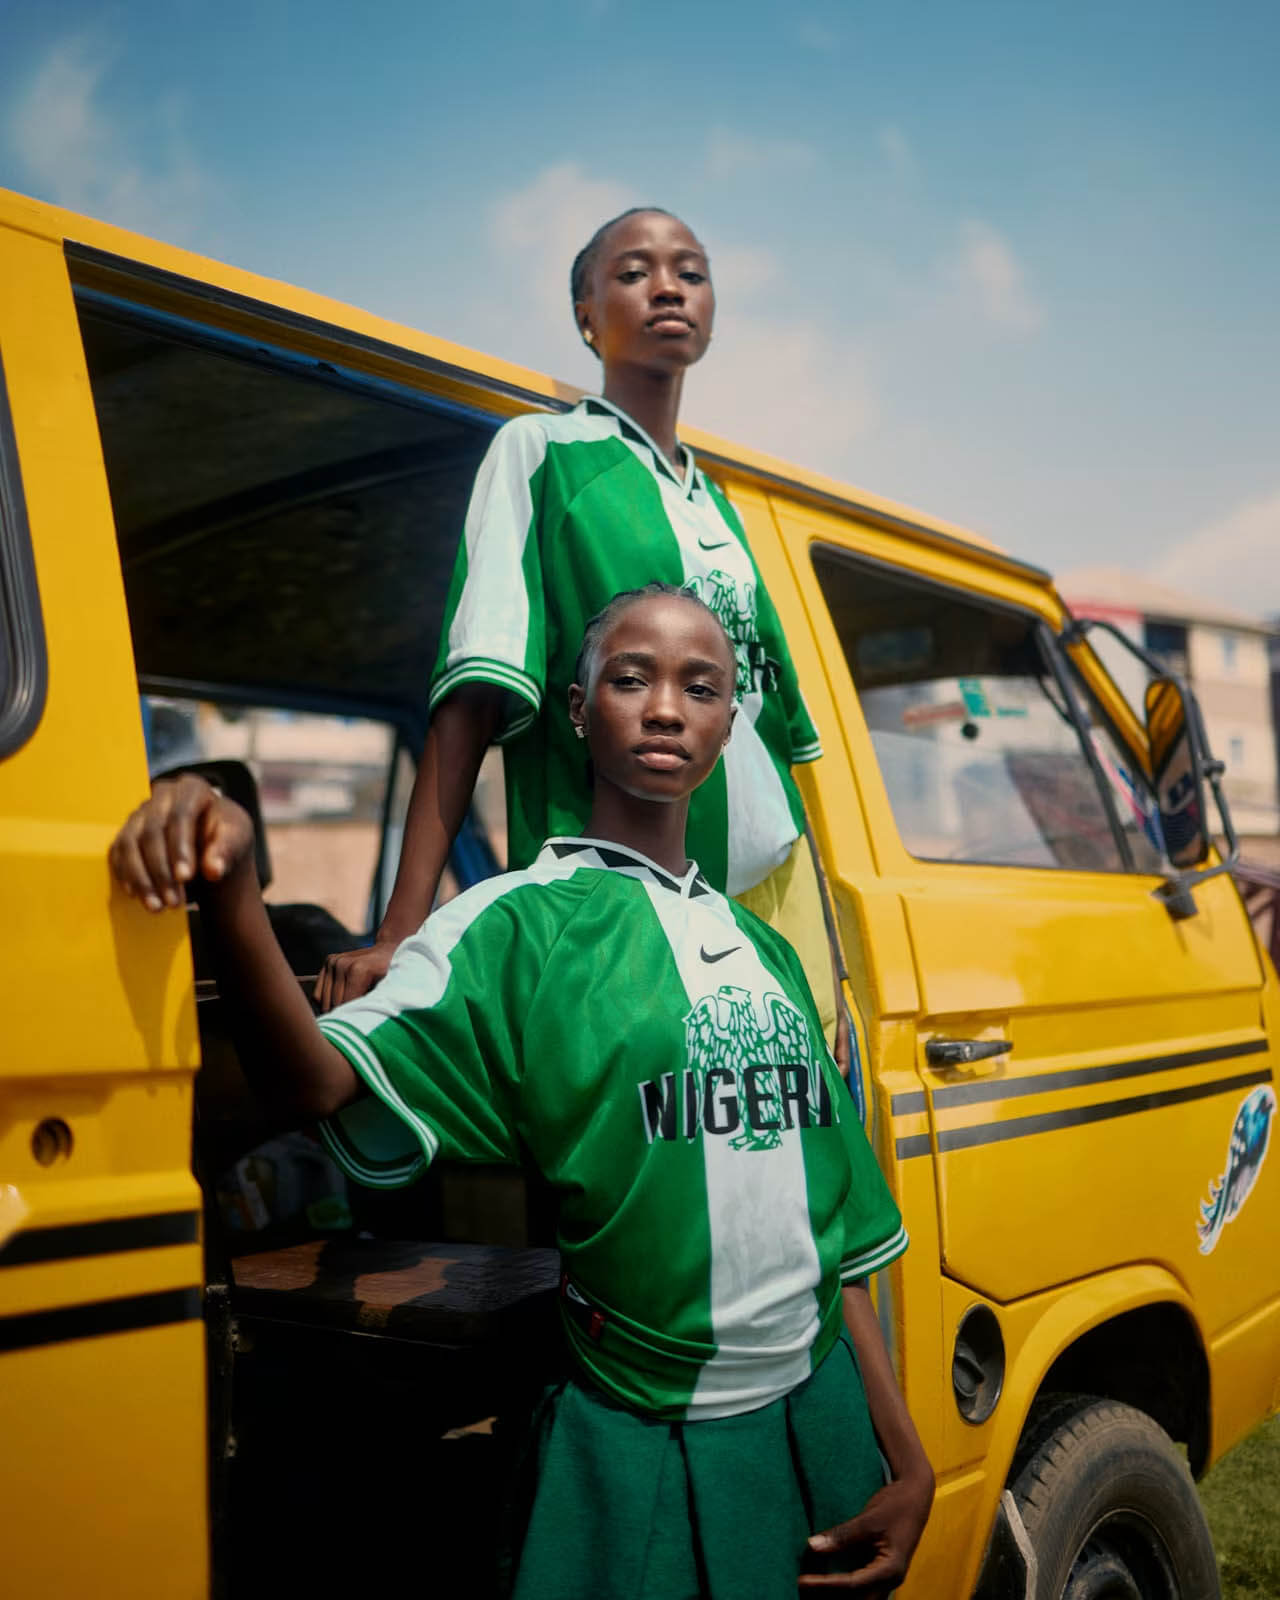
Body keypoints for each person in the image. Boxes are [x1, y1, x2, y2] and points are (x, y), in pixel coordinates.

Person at [110, 585, 933, 1597]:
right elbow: (315, 1079)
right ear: (579, 711)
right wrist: (232, 885)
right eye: (630, 678)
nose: (666, 707)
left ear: (728, 723)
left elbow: (839, 1237)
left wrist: (908, 1457)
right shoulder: (510, 925)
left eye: (700, 686)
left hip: (821, 1426)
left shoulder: (765, 950)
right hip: (635, 1443)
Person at [315, 207, 847, 1073]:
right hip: (626, 900)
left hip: (775, 898)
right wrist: (400, 931)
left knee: (794, 1146)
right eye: (634, 271)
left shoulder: (720, 505)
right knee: (655, 1154)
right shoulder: (542, 451)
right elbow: (475, 696)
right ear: (586, 314)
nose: (669, 287)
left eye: (693, 270)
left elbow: (772, 732)